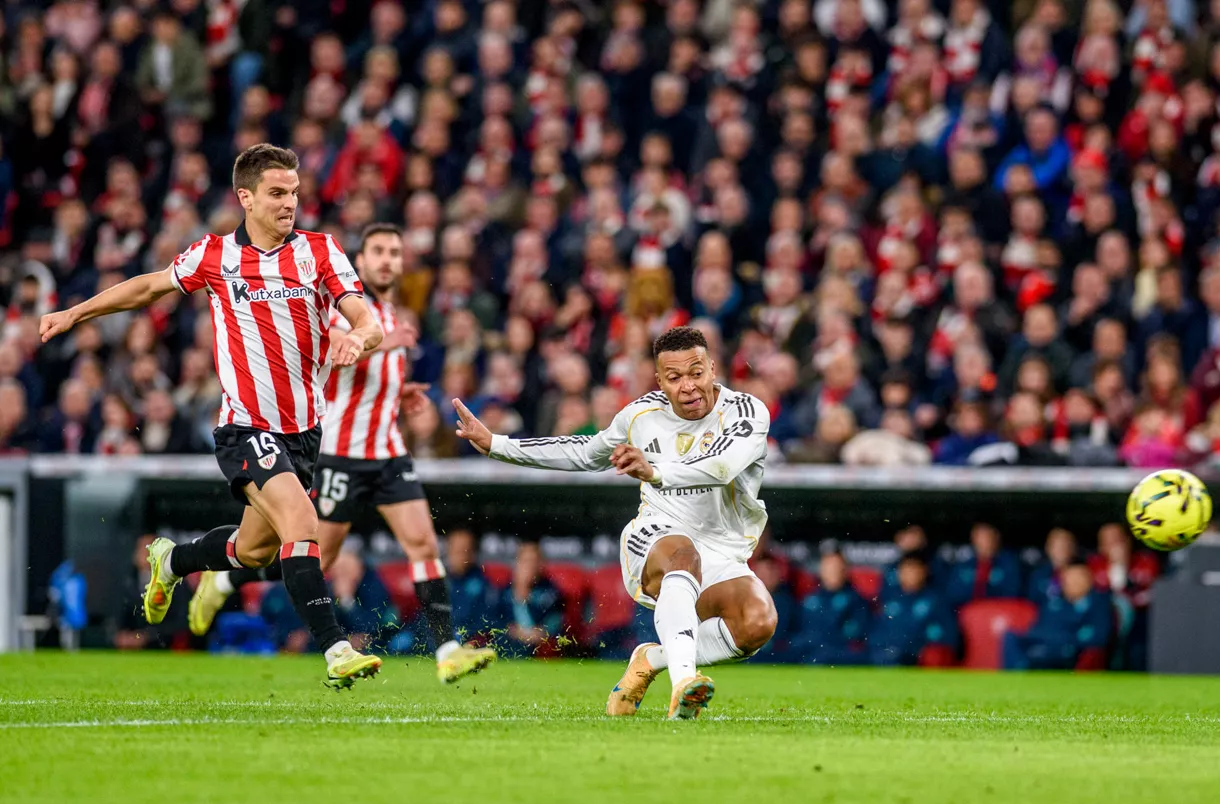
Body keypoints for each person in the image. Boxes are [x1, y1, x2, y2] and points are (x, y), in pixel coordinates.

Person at [38, 144, 384, 690]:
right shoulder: (215, 255)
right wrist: (76, 311)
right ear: (245, 198)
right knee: (301, 523)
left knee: (254, 549)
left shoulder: (320, 251)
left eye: (294, 192)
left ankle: (172, 562)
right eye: (276, 193)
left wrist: (358, 340)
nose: (289, 202)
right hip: (245, 427)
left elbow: (368, 320)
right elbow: (150, 286)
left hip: (303, 433)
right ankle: (336, 649)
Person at [186, 223, 495, 683]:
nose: (388, 259)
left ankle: (447, 650)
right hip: (339, 454)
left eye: (395, 251)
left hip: (388, 451)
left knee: (423, 543)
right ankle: (227, 577)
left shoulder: (392, 312)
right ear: (361, 261)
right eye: (378, 252)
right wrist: (384, 344)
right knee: (314, 556)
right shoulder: (338, 304)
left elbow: (363, 380)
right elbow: (329, 352)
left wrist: (400, 391)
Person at [453, 326, 777, 720]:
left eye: (696, 372)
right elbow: (585, 453)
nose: (688, 386)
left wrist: (654, 469)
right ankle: (683, 686)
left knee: (756, 623)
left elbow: (723, 465)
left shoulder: (746, 410)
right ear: (660, 381)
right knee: (682, 553)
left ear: (712, 368)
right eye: (674, 378)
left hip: (722, 550)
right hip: (656, 537)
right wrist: (499, 445)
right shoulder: (640, 416)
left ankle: (651, 659)